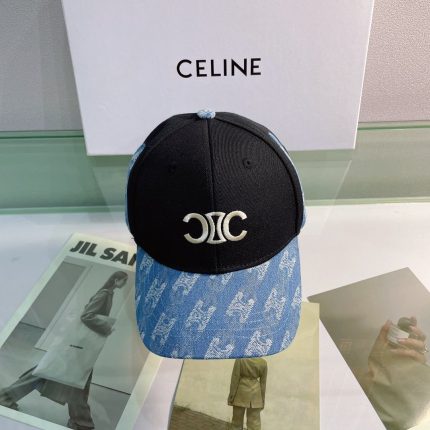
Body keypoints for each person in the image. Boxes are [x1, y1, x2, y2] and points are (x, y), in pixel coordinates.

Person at [0, 270, 128, 430]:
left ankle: (6, 396)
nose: (124, 283)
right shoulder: (104, 294)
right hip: (81, 348)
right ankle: (81, 422)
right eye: (124, 280)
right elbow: (87, 315)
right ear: (116, 280)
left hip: (80, 347)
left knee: (49, 373)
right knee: (71, 380)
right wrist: (106, 327)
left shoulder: (107, 293)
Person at [228, 357, 267, 430]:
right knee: (254, 424)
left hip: (241, 393)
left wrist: (231, 396)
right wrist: (262, 400)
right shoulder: (263, 362)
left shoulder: (240, 359)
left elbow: (235, 378)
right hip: (256, 395)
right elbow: (263, 383)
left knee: (236, 422)